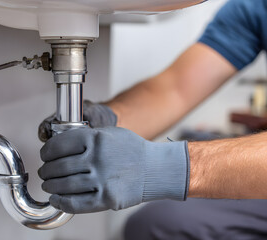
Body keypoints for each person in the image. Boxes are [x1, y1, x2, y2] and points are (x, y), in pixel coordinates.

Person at [38, 0, 267, 238]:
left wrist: (168, 167)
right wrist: (106, 118)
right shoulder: (255, 7)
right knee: (154, 224)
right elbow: (177, 88)